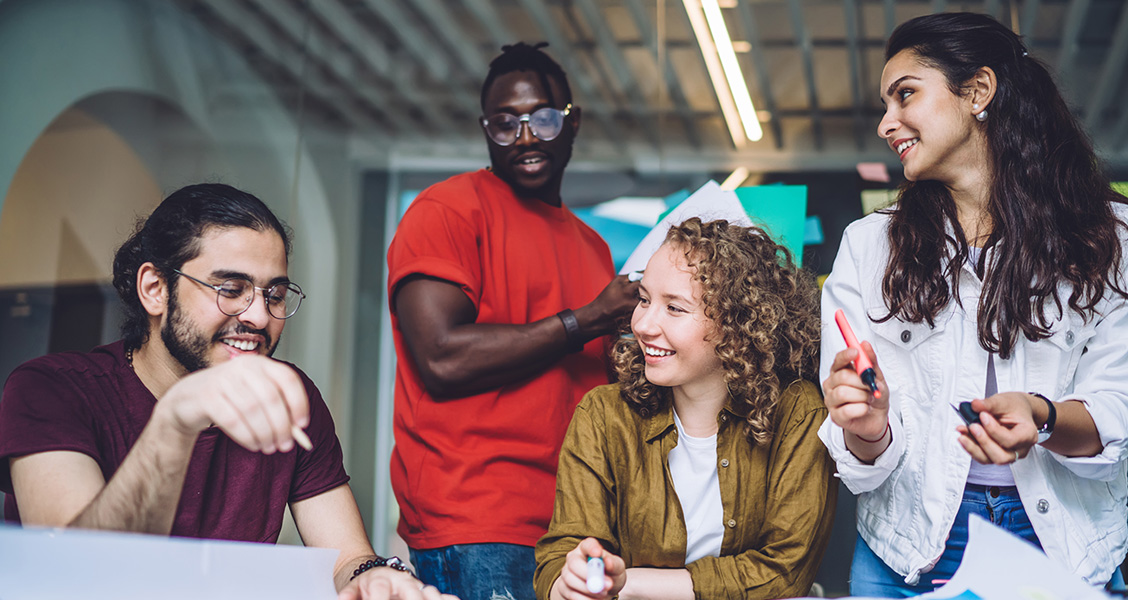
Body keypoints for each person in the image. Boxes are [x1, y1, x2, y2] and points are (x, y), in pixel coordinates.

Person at [818, 12, 1128, 597]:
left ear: (978, 91)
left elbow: (1123, 406)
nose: (886, 123)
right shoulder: (869, 245)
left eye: (905, 95)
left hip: (1061, 544)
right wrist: (867, 426)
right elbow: (863, 451)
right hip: (906, 551)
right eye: (885, 105)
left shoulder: (1114, 236)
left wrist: (1043, 416)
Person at [0, 184, 451, 600]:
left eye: (274, 295)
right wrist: (177, 421)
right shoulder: (50, 388)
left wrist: (370, 577)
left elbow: (348, 558)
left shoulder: (292, 397)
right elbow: (74, 574)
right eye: (231, 289)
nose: (257, 315)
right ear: (155, 289)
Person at [387, 42, 639, 600]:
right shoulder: (446, 211)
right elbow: (442, 357)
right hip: (478, 520)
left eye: (543, 118)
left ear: (571, 124)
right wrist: (588, 319)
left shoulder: (593, 246)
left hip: (576, 525)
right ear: (486, 129)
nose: (525, 136)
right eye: (506, 123)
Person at [534, 218, 838, 600]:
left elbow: (784, 572)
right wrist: (568, 582)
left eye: (674, 308)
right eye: (644, 299)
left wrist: (629, 584)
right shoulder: (603, 414)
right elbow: (562, 554)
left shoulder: (798, 412)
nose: (643, 324)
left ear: (739, 324)